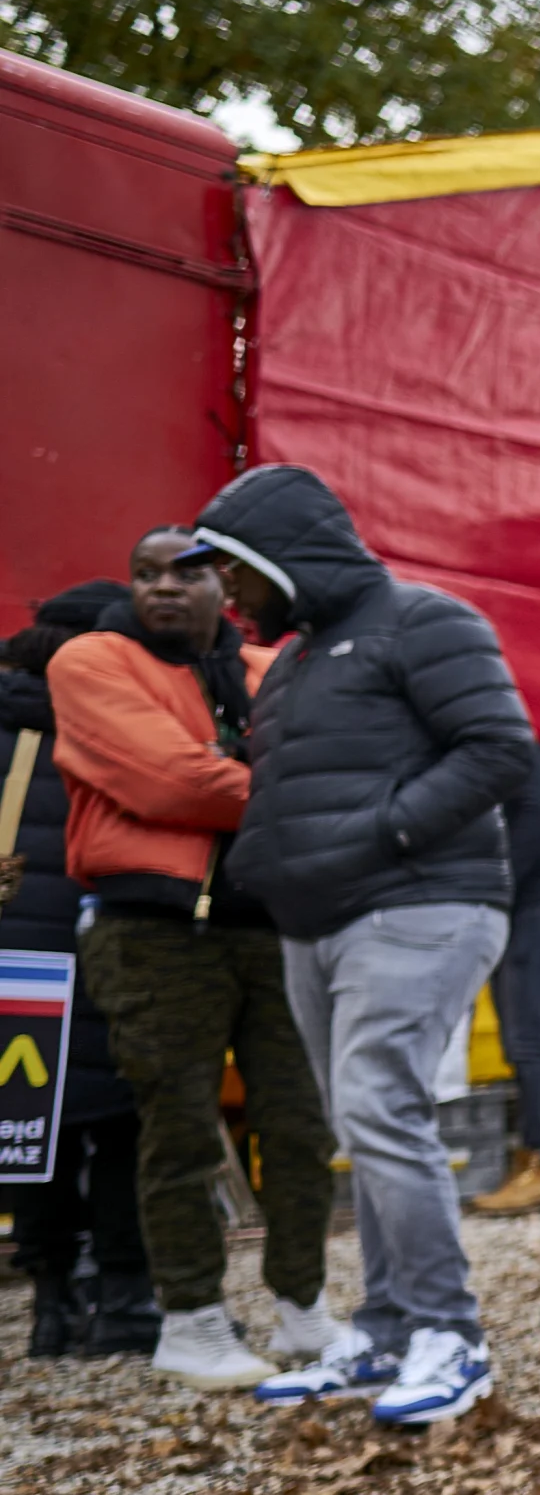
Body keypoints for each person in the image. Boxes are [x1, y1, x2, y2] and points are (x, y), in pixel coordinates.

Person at [187, 466, 534, 1427]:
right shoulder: (297, 659)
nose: (228, 595)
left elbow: (501, 748)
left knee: (381, 1104)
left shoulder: (426, 620)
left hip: (425, 902)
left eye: (234, 572)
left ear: (280, 560)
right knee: (365, 1120)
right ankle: (386, 1331)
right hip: (321, 920)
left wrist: (384, 832)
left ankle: (449, 1334)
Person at [44, 537, 337, 1382]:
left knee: (299, 1127)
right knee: (175, 1129)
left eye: (189, 571)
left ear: (227, 584)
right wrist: (285, 791)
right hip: (152, 929)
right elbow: (169, 782)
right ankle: (191, 1318)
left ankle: (302, 1308)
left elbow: (278, 771)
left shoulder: (266, 664)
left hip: (271, 924)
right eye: (147, 572)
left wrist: (243, 777)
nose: (164, 587)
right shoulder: (92, 658)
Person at [7, 582, 156, 1362]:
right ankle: (125, 1294)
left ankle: (51, 1303)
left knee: (31, 1130)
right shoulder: (113, 724)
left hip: (14, 964)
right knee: (126, 1125)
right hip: (110, 947)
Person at [468, 739, 540, 1217]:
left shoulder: (521, 755)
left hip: (536, 913)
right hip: (527, 912)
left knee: (529, 1040)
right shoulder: (521, 755)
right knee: (520, 1043)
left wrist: (488, 889)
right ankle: (534, 1158)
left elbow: (535, 830)